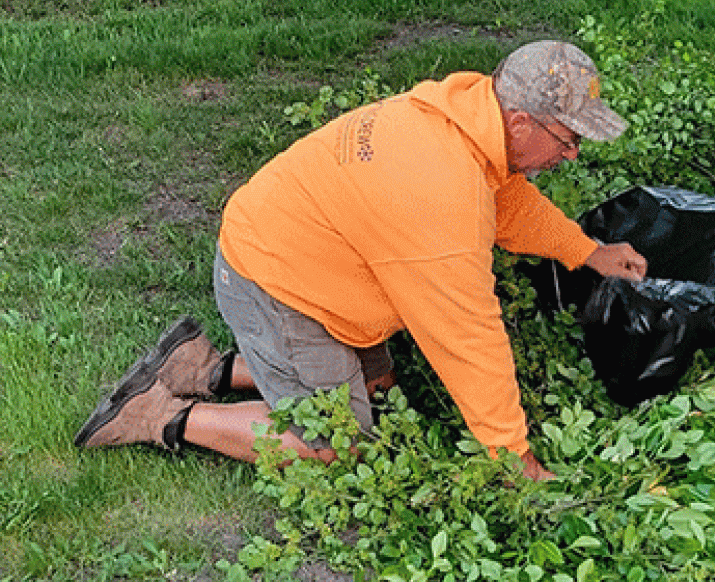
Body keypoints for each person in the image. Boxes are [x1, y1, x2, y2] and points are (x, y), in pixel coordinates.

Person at [74, 40, 648, 481]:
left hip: (306, 258)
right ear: (521, 122)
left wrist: (589, 252)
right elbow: (468, 337)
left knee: (378, 382)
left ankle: (202, 369)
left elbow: (509, 202)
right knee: (335, 446)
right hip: (276, 283)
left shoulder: (466, 115)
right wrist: (512, 456)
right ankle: (155, 416)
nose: (571, 155)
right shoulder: (441, 191)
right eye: (568, 140)